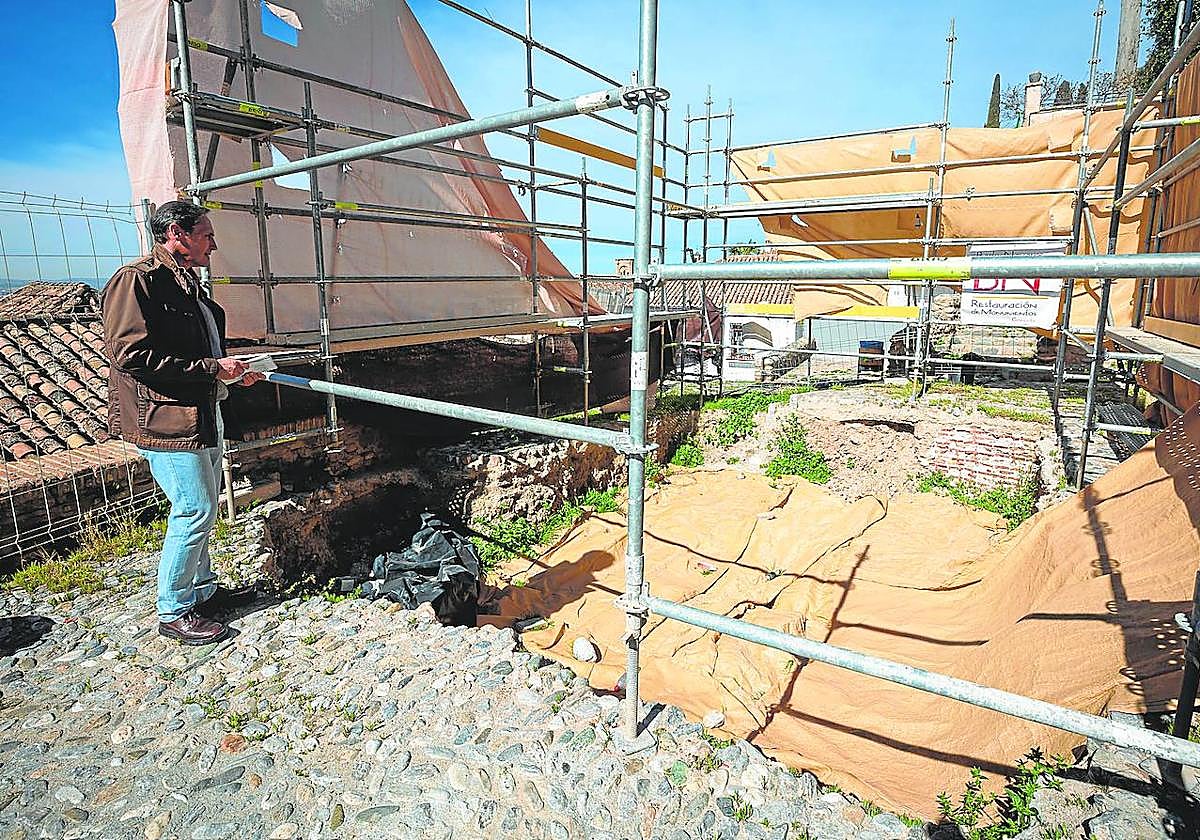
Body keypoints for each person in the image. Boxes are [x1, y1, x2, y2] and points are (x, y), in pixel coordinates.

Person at [101, 201, 266, 645]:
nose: (214, 244)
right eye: (206, 235)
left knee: (203, 508)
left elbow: (199, 350)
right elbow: (130, 355)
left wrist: (233, 372)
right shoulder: (136, 280)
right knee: (194, 509)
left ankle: (201, 591)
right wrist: (213, 368)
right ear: (177, 232)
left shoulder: (187, 283)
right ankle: (173, 610)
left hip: (200, 413)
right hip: (167, 421)